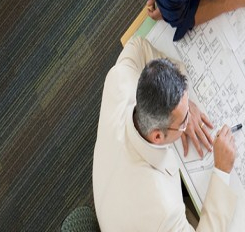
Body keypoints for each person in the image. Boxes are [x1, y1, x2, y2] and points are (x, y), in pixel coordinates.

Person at [93, 36, 237, 231]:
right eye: (184, 120)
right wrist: (222, 170)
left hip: (111, 191)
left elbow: (136, 45)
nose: (191, 118)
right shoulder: (163, 210)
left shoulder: (119, 79)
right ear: (158, 136)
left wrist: (182, 106)